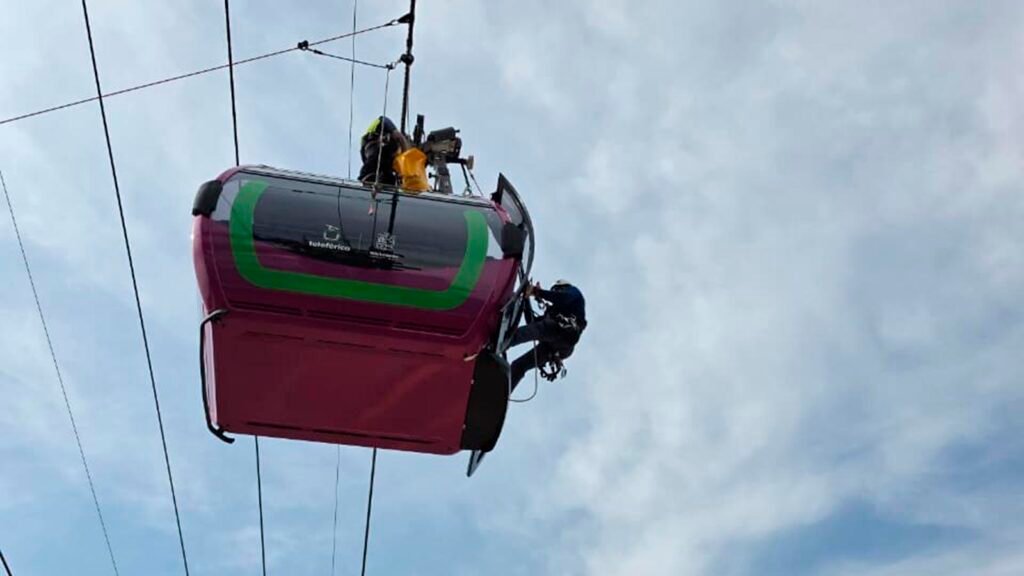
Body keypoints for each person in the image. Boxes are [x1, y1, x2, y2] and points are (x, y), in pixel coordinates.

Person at [509, 280, 587, 390]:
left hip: (563, 332)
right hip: (555, 347)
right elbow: (532, 323)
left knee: (526, 333)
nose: (555, 293)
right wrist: (526, 300)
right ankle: (501, 393)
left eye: (555, 290)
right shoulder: (554, 312)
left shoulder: (573, 292)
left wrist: (536, 292)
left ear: (561, 287)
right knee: (520, 365)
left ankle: (502, 339)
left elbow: (562, 298)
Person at [358, 116, 410, 186]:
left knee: (388, 172)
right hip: (373, 145)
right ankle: (369, 177)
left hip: (370, 155)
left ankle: (388, 183)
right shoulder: (384, 121)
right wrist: (407, 157)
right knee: (382, 156)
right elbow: (399, 137)